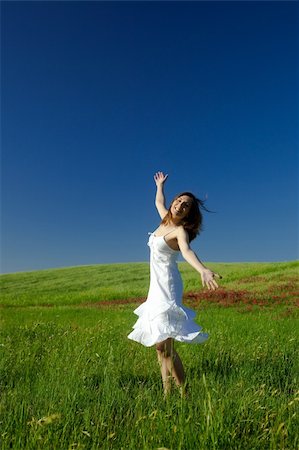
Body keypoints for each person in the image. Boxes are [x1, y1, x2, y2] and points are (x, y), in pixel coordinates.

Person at [128, 171, 221, 396]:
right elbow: (158, 201)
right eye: (179, 200)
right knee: (160, 348)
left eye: (186, 205)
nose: (180, 205)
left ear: (188, 214)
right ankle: (167, 393)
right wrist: (160, 185)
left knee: (165, 345)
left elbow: (187, 251)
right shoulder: (164, 220)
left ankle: (184, 394)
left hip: (167, 287)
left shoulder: (179, 231)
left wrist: (203, 269)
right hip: (155, 287)